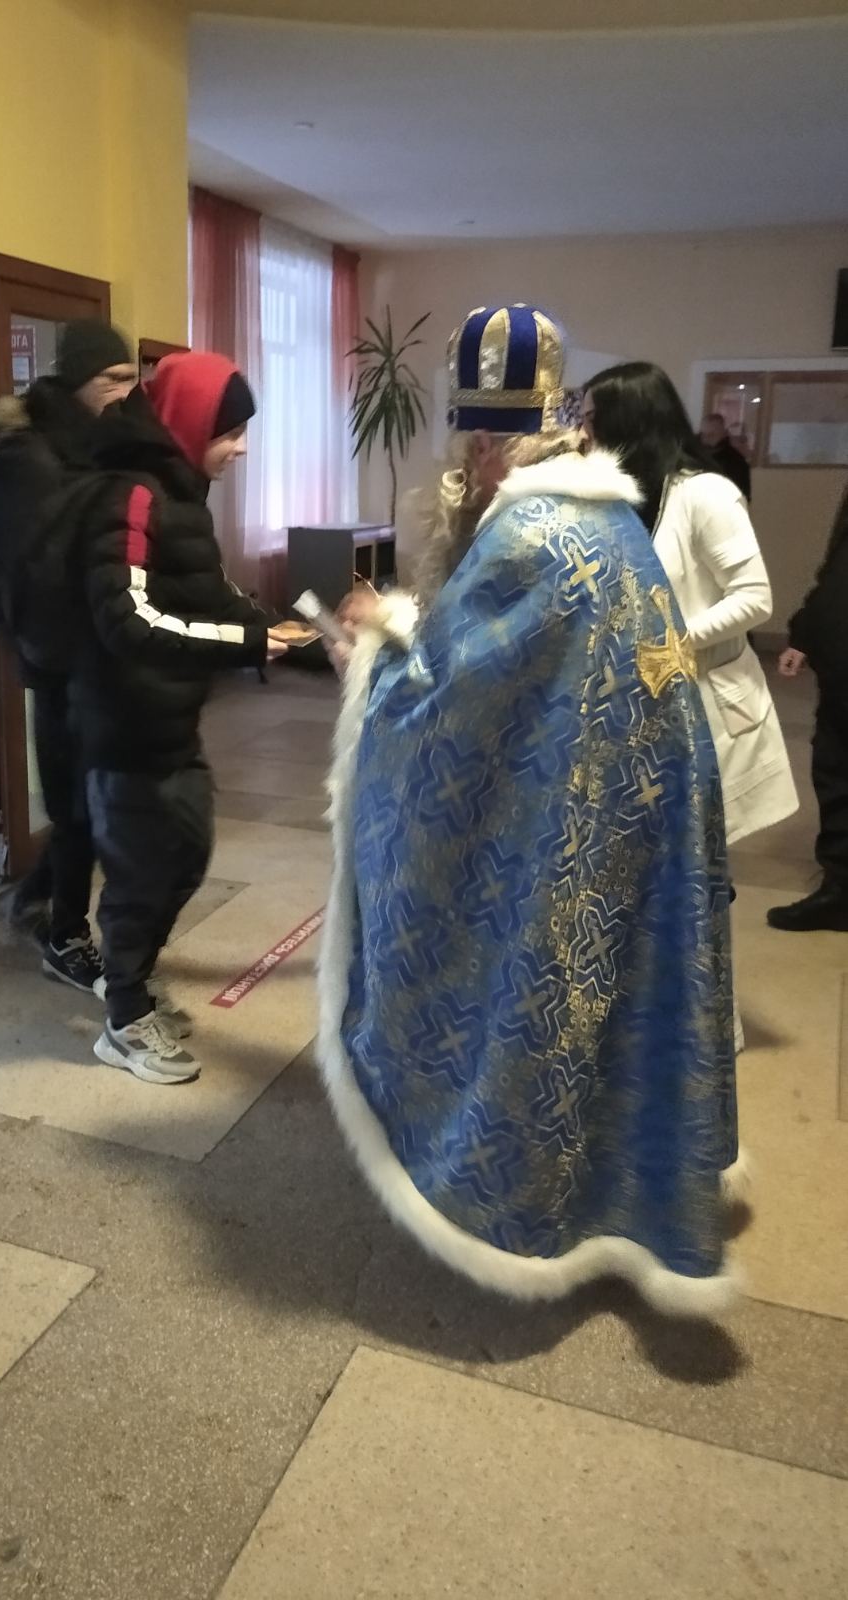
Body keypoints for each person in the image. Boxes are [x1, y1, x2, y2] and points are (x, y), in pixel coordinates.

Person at [320, 305, 742, 1316]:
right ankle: (631, 1190)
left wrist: (373, 642)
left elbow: (442, 711)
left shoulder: (527, 534)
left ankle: (518, 1192)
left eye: (467, 446)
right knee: (615, 991)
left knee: (536, 976)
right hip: (638, 802)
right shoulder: (609, 520)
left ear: (482, 441)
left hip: (572, 817)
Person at [76, 352, 288, 1085]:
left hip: (167, 719)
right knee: (142, 872)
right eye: (229, 432)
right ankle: (124, 1017)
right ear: (191, 423)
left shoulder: (180, 495)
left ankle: (132, 983)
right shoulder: (132, 496)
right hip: (123, 725)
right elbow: (127, 620)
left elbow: (208, 591)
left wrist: (279, 626)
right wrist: (244, 642)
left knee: (185, 853)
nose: (241, 448)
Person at [583, 364, 797, 1046]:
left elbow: (755, 598)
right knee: (661, 876)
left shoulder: (705, 493)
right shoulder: (631, 497)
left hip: (708, 709)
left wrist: (674, 641)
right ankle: (658, 1022)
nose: (583, 431)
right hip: (655, 709)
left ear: (628, 422)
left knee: (699, 876)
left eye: (592, 418)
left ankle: (709, 1033)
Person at [0, 321, 136, 994]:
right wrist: (53, 654)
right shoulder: (28, 460)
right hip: (63, 666)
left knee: (87, 806)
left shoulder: (97, 446)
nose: (123, 392)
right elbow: (5, 582)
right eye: (110, 380)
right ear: (76, 381)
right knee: (78, 810)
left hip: (99, 660)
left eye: (130, 379)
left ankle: (36, 898)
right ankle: (64, 935)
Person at [768, 484, 848, 931]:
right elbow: (836, 566)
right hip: (839, 660)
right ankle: (840, 890)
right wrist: (805, 633)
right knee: (834, 769)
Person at [699, 411, 753, 502]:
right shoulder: (693, 455)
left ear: (723, 433)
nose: (706, 439)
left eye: (712, 435)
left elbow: (743, 496)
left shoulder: (736, 461)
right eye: (703, 435)